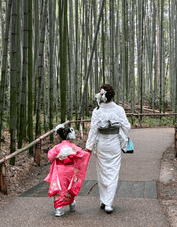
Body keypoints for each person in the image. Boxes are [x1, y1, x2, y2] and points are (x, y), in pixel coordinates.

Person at [85, 84, 131, 214]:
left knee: (102, 171)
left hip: (102, 144)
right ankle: (108, 203)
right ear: (112, 96)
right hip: (114, 143)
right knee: (113, 172)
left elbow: (93, 130)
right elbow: (126, 127)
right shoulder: (119, 109)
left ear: (102, 95)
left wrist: (89, 147)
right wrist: (123, 138)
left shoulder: (97, 111)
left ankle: (104, 200)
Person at [45, 124, 91, 217]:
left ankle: (58, 209)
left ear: (60, 136)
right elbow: (82, 154)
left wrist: (58, 157)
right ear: (69, 136)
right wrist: (88, 151)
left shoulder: (57, 147)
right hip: (70, 169)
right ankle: (72, 204)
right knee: (70, 186)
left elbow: (50, 156)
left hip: (59, 169)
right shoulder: (73, 147)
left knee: (59, 187)